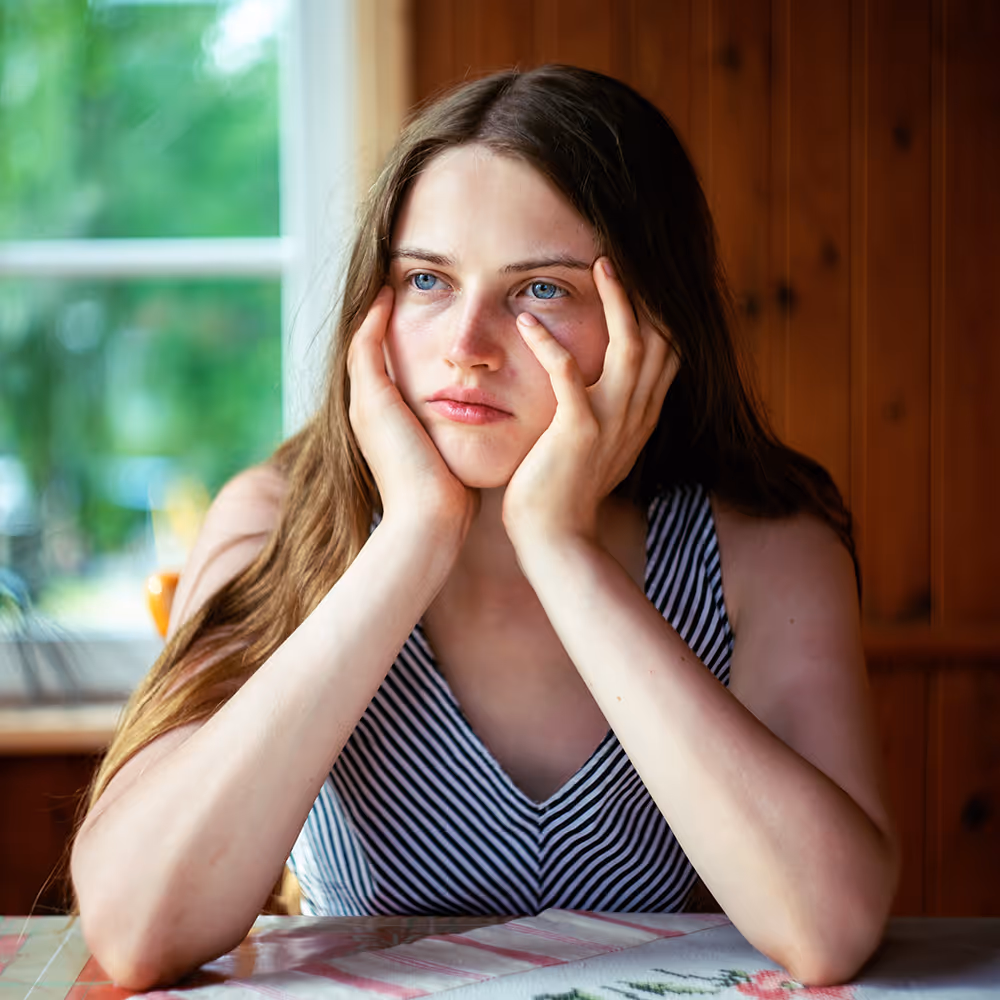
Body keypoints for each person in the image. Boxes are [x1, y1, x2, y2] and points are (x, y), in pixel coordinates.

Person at [70, 65, 899, 990]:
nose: (466, 344)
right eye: (426, 279)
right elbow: (135, 927)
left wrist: (562, 549)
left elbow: (829, 927)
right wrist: (413, 537)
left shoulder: (763, 551)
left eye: (539, 290)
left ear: (652, 329)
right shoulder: (273, 521)